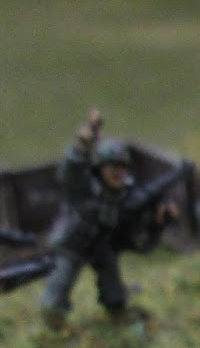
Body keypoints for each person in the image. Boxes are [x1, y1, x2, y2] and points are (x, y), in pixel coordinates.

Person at [42, 112, 182, 329]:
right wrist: (81, 148)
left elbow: (137, 235)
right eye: (112, 167)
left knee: (111, 279)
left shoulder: (126, 196)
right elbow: (70, 171)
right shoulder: (84, 187)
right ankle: (54, 320)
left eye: (122, 167)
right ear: (100, 168)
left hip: (101, 244)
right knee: (60, 283)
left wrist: (158, 222)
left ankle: (116, 309)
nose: (118, 173)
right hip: (73, 243)